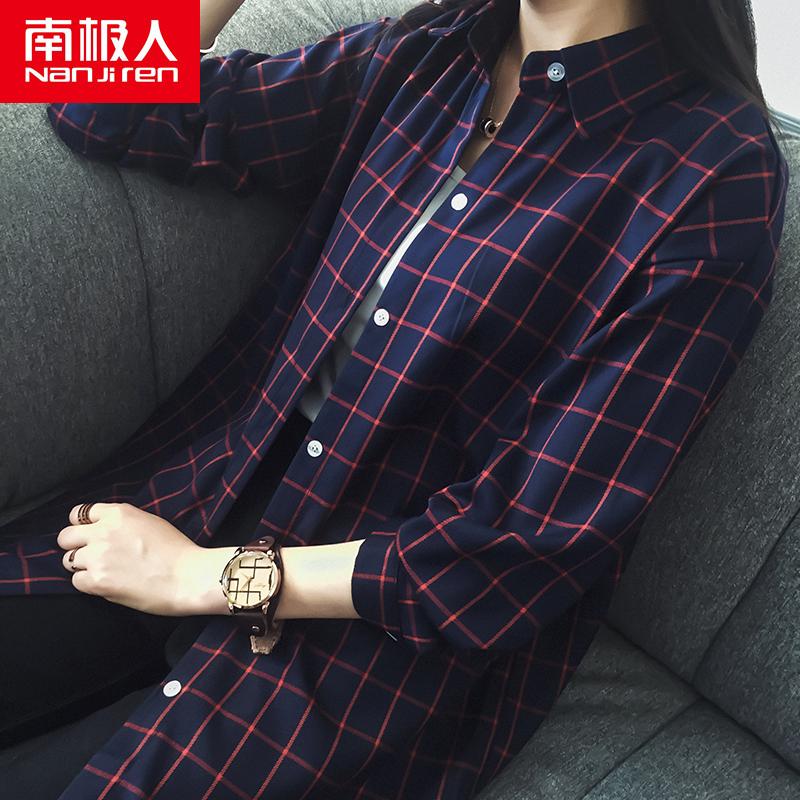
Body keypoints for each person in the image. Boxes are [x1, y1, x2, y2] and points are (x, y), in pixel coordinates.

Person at [0, 0, 789, 797]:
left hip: (374, 624)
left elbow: (525, 541)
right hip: (212, 484)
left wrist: (205, 577)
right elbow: (92, 98)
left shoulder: (716, 172)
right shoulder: (428, 52)